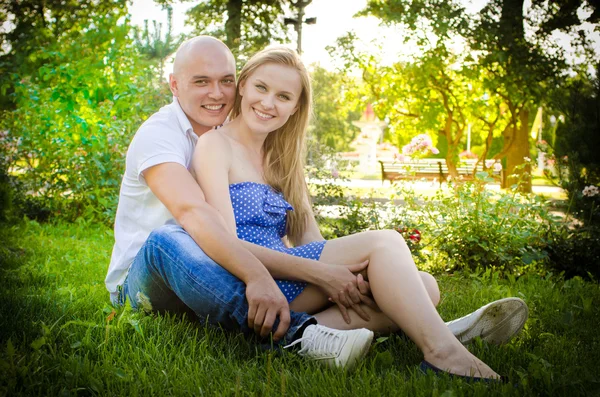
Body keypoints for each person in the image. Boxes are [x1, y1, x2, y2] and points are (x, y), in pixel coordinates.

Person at [106, 36, 528, 372]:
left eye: (284, 97)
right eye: (261, 88)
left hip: (268, 275)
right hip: (223, 270)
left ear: (296, 108)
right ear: (177, 84)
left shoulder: (280, 156)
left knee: (424, 285)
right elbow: (208, 228)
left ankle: (418, 328)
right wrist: (324, 273)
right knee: (383, 243)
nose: (268, 103)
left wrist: (342, 278)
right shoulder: (204, 143)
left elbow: (309, 236)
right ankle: (443, 350)